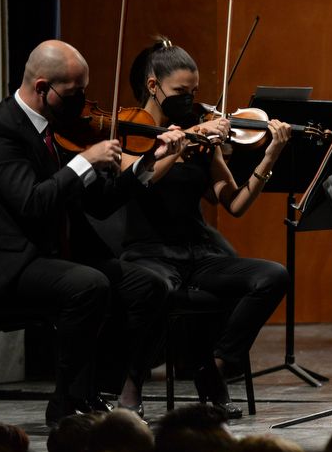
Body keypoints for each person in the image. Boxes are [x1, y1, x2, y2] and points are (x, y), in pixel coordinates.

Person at [0, 39, 186, 427]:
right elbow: (32, 203)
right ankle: (68, 404)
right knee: (88, 284)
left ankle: (105, 390)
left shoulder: (59, 129)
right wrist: (83, 162)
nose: (83, 102)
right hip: (5, 265)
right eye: (75, 93)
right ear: (42, 88)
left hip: (49, 258)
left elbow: (101, 203)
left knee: (149, 286)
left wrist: (148, 162)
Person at [115, 37, 291, 419]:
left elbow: (235, 204)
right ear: (153, 86)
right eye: (180, 91)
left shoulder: (201, 138)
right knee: (157, 289)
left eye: (194, 92)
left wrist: (270, 156)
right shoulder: (129, 130)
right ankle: (131, 382)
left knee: (272, 276)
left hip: (196, 254)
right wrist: (174, 148)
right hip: (148, 255)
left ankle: (217, 364)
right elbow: (139, 179)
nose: (190, 100)